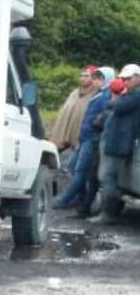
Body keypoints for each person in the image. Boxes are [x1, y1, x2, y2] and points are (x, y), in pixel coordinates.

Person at [90, 64, 140, 225]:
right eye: (123, 79)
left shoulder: (136, 95)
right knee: (110, 178)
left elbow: (117, 106)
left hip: (121, 142)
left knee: (109, 179)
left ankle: (108, 214)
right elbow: (109, 106)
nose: (125, 81)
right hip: (117, 141)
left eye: (128, 78)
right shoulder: (130, 94)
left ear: (137, 78)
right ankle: (108, 211)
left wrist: (117, 98)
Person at [53, 68, 108, 210]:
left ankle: (65, 199)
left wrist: (97, 123)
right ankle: (80, 197)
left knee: (81, 170)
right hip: (84, 137)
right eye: (94, 78)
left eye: (98, 78)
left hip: (92, 138)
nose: (95, 81)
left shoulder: (104, 96)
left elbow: (105, 115)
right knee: (73, 166)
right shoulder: (95, 94)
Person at [49, 65, 97, 155]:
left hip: (80, 140)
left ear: (94, 78)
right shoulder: (74, 93)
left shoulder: (95, 95)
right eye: (81, 76)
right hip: (64, 139)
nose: (82, 78)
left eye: (86, 76)